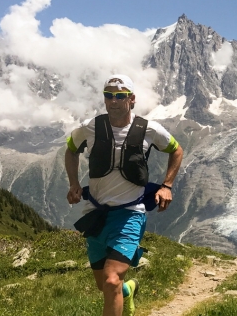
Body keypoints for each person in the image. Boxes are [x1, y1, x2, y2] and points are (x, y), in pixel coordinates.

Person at [64, 74, 183, 316]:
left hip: (130, 215)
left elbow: (177, 150)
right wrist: (74, 183)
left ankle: (120, 288)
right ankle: (128, 290)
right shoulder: (91, 127)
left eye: (120, 96)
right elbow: (71, 150)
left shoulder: (148, 129)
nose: (113, 101)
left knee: (110, 280)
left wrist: (167, 186)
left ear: (132, 99)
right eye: (108, 95)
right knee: (105, 286)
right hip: (96, 214)